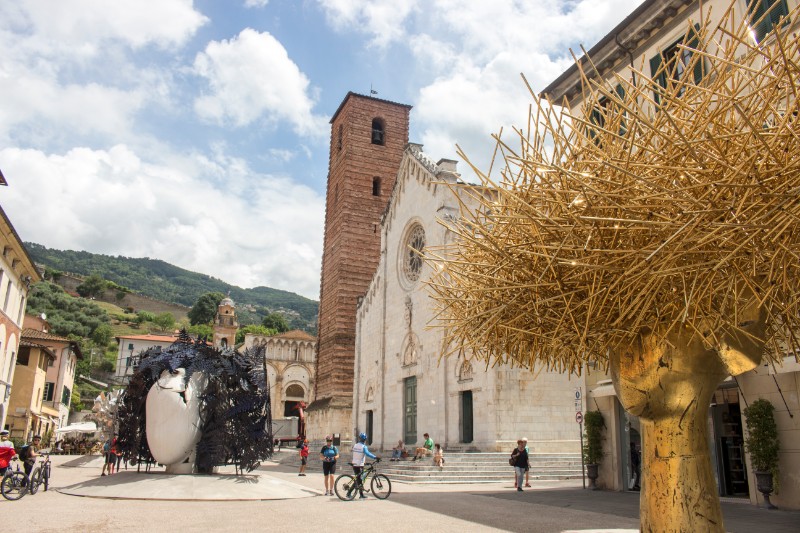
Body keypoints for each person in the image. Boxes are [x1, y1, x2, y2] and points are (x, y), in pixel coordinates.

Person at [351, 432, 378, 499]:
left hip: (355, 464)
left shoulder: (355, 445)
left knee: (359, 480)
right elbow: (367, 453)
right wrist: (375, 457)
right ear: (365, 440)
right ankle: (349, 492)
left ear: (359, 438)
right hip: (359, 465)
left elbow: (357, 455)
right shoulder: (364, 446)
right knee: (359, 480)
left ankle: (361, 495)